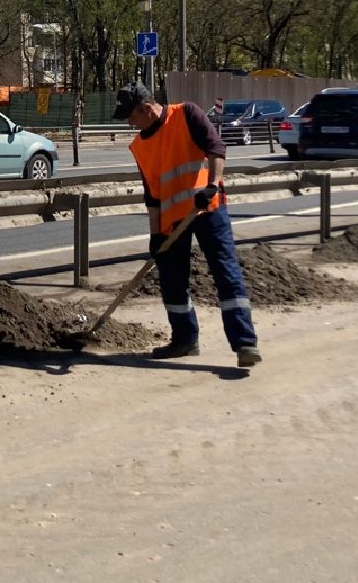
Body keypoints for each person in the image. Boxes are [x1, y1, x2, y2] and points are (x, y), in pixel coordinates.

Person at [112, 81, 261, 369]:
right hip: (172, 219)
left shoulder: (187, 114)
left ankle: (245, 343)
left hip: (208, 209)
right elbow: (152, 196)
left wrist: (212, 185)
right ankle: (184, 340)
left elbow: (216, 149)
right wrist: (155, 235)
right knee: (172, 280)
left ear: (146, 108)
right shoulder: (139, 146)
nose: (130, 124)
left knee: (226, 272)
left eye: (131, 117)